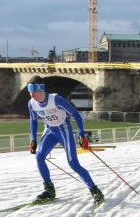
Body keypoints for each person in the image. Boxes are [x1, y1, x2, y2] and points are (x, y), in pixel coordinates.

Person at [27, 75, 104, 205]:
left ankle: (95, 191)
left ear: (42, 89)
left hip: (64, 130)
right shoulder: (32, 104)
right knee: (39, 156)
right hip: (50, 131)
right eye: (30, 93)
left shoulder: (56, 99)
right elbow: (33, 121)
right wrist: (33, 140)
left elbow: (76, 115)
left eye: (35, 92)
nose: (32, 96)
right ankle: (49, 190)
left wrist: (81, 135)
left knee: (73, 163)